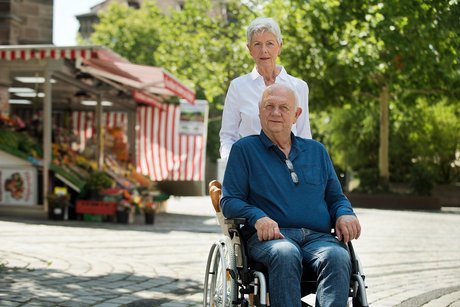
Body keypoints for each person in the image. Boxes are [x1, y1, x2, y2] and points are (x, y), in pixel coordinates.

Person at [220, 84, 361, 307]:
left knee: (337, 256)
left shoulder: (317, 151)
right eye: (269, 106)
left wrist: (345, 214)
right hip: (272, 238)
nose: (275, 113)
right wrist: (257, 217)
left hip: (318, 238)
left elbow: (336, 197)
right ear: (260, 111)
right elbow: (229, 201)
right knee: (285, 252)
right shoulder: (244, 150)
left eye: (283, 107)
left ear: (296, 114)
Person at [219, 17, 312, 160]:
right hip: (249, 167)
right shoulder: (237, 87)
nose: (264, 50)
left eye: (269, 43)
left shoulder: (299, 87)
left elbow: (304, 137)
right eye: (257, 44)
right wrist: (234, 166)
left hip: (287, 168)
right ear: (249, 49)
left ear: (280, 46)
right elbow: (227, 136)